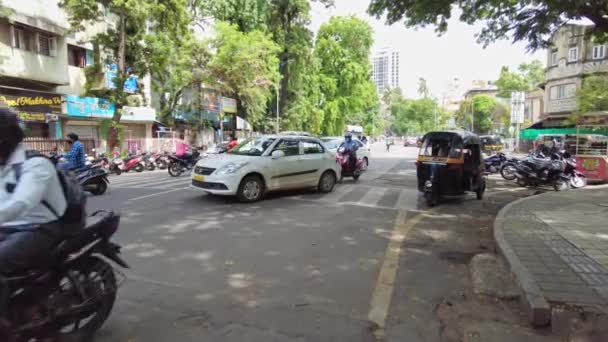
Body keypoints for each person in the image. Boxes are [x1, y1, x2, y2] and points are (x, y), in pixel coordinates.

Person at [0, 110, 67, 273]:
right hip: (7, 226)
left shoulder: (35, 164)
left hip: (39, 227)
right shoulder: (4, 163)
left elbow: (21, 203)